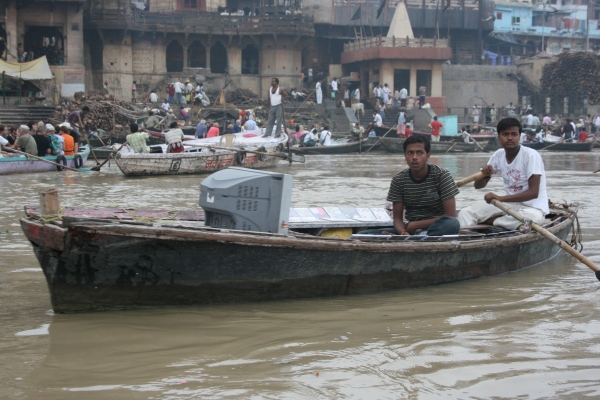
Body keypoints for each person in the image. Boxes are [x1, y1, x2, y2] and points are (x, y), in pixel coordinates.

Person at [458, 118, 548, 231]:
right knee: (465, 213)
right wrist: (485, 174)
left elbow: (533, 193)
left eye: (514, 134)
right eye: (505, 134)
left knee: (531, 218)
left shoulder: (531, 155)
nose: (510, 138)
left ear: (519, 136)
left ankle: (492, 222)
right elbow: (478, 186)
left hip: (533, 208)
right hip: (509, 206)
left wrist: (500, 198)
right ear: (499, 136)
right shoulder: (498, 155)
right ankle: (468, 239)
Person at [358, 135, 460, 236]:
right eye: (410, 153)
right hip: (410, 230)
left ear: (427, 156)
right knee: (364, 234)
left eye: (419, 153)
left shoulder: (441, 175)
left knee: (452, 224)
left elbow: (450, 215)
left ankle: (421, 236)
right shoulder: (399, 180)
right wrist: (403, 233)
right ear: (405, 156)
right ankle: (416, 238)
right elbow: (397, 219)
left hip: (436, 227)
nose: (414, 157)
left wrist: (415, 225)